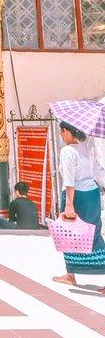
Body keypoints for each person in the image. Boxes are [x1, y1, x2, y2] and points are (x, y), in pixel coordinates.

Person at [51, 122, 105, 292]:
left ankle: (71, 275)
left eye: (61, 131)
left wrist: (69, 204)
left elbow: (69, 180)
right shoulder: (87, 149)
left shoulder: (67, 151)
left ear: (67, 131)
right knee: (94, 233)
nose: (60, 134)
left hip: (76, 196)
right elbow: (97, 172)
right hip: (92, 195)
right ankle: (72, 273)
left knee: (69, 234)